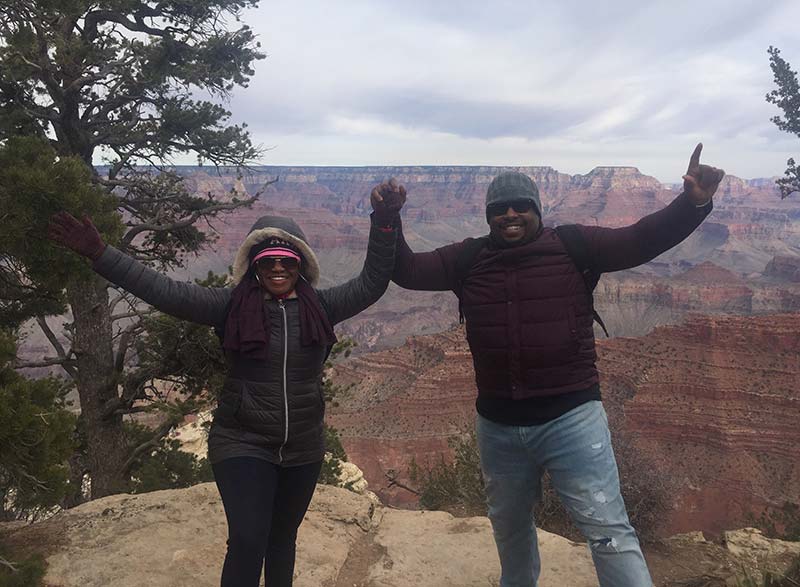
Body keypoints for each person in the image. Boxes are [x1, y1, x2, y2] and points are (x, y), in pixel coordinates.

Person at [375, 144, 724, 587]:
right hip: (498, 426)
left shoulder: (574, 245)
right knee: (510, 531)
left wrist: (691, 204)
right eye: (500, 209)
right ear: (488, 216)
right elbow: (405, 271)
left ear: (538, 210)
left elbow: (640, 239)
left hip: (572, 420)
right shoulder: (467, 259)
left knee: (608, 532)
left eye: (522, 207)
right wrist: (387, 218)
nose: (511, 215)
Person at [47, 189, 405, 587]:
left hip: (303, 445)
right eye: (267, 261)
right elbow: (164, 291)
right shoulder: (229, 306)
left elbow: (373, 282)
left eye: (287, 260)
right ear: (253, 265)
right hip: (242, 440)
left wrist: (385, 220)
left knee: (282, 540)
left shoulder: (321, 307)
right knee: (250, 539)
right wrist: (101, 254)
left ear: (301, 264)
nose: (277, 269)